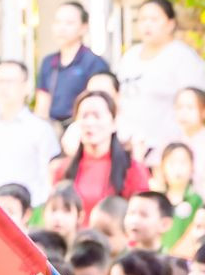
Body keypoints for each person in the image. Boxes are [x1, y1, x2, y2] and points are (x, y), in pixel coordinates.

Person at [116, 0, 205, 159]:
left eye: (154, 19)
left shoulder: (183, 57)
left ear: (170, 24)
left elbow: (195, 102)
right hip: (129, 146)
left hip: (166, 148)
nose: (147, 24)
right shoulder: (129, 57)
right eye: (142, 19)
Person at [0, 60, 60, 205]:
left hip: (29, 212)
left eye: (10, 81)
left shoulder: (40, 129)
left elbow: (48, 179)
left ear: (25, 87)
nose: (3, 87)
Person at [59, 91, 150, 219]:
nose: (90, 123)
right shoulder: (63, 169)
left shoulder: (132, 169)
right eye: (84, 116)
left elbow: (143, 217)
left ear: (113, 123)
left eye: (97, 116)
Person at [36, 1, 112, 125]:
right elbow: (42, 106)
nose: (61, 28)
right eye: (57, 22)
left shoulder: (94, 63)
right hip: (52, 129)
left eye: (69, 23)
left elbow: (100, 105)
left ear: (83, 28)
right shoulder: (48, 62)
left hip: (83, 127)